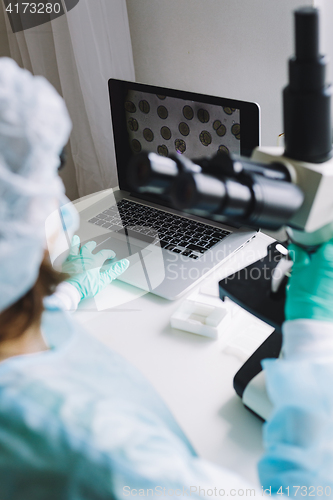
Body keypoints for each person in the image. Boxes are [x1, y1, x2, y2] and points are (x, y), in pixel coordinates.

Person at [0, 57, 333, 499]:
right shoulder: (106, 457)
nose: (56, 194)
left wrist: (62, 296)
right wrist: (312, 340)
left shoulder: (25, 335)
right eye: (49, 171)